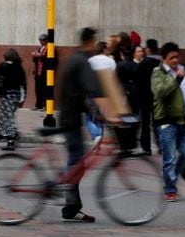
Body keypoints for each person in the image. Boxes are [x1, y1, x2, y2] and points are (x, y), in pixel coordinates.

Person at [57, 27, 114, 222]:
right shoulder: (82, 61)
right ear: (90, 42)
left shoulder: (75, 58)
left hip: (69, 116)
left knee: (76, 162)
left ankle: (71, 206)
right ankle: (70, 207)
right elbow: (95, 90)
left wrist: (93, 111)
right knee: (76, 163)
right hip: (70, 119)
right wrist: (112, 115)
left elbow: (79, 92)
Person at [152, 42, 185, 202]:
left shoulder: (184, 73)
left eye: (177, 57)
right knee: (169, 158)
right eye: (172, 57)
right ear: (164, 59)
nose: (175, 60)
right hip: (167, 123)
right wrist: (177, 79)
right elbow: (161, 92)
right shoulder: (158, 73)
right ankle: (170, 188)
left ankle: (170, 176)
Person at [0, 49, 27, 150]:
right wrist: (23, 98)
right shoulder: (19, 67)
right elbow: (23, 84)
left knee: (7, 116)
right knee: (10, 115)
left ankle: (11, 139)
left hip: (6, 95)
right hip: (16, 95)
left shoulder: (4, 66)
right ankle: (12, 135)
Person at [134, 38, 162, 155]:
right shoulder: (161, 63)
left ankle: (146, 148)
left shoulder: (144, 63)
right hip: (158, 98)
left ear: (148, 49)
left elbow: (136, 77)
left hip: (145, 97)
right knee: (158, 123)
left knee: (145, 124)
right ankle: (161, 145)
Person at [31, 34, 47, 110]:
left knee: (45, 89)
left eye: (43, 40)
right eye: (40, 40)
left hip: (44, 72)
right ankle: (38, 105)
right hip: (38, 72)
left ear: (46, 40)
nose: (41, 41)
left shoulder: (49, 48)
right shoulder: (39, 48)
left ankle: (45, 106)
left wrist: (39, 55)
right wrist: (35, 56)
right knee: (38, 89)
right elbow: (35, 60)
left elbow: (47, 59)